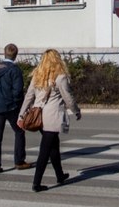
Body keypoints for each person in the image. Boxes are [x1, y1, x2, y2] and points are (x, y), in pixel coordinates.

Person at [18, 48, 81, 192]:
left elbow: (29, 96)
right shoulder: (60, 77)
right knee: (45, 151)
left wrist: (21, 115)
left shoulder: (37, 76)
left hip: (39, 116)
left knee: (54, 146)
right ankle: (36, 183)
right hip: (52, 118)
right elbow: (68, 98)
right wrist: (77, 111)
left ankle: (59, 175)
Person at [0, 43, 30, 174]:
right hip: (11, 106)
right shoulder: (14, 70)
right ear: (16, 55)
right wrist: (19, 105)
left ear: (4, 53)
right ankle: (19, 161)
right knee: (19, 131)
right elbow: (18, 90)